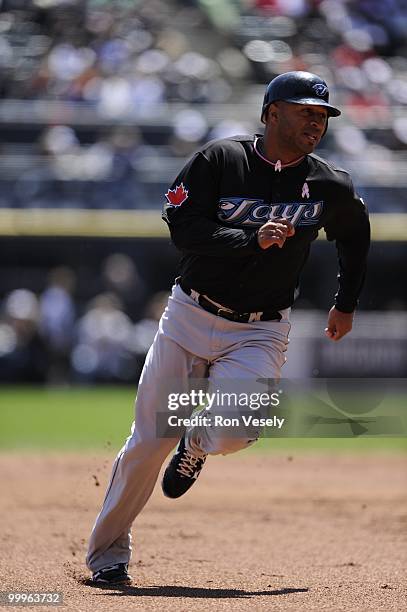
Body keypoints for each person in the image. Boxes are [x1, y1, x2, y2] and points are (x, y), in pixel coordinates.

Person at [86, 71, 370, 585]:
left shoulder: (329, 184)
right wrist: (248, 238)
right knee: (150, 441)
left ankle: (195, 447)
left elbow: (355, 236)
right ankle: (108, 556)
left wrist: (344, 303)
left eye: (322, 114)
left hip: (262, 328)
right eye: (305, 110)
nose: (316, 121)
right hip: (190, 315)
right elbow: (182, 228)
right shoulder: (220, 160)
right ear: (271, 112)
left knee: (240, 429)